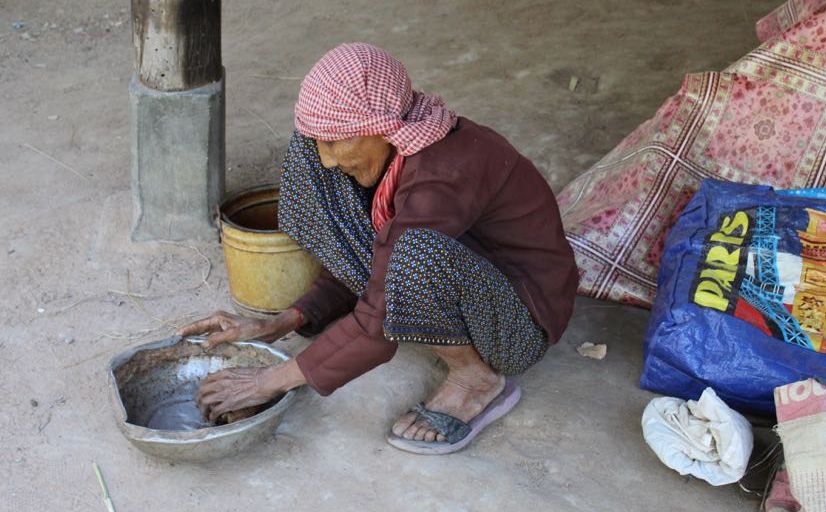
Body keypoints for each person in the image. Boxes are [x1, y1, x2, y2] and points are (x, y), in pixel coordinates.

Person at [181, 43, 577, 454]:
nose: (329, 159)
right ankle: (444, 342)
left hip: (516, 324)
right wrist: (288, 319)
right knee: (307, 159)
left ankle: (475, 381)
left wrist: (268, 381)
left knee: (414, 253)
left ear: (383, 126)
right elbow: (374, 256)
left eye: (336, 142)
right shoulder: (395, 156)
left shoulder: (443, 175)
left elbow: (380, 309)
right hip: (458, 271)